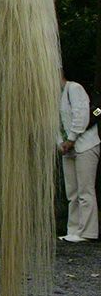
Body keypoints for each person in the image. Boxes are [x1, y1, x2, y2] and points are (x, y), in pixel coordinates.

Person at [59, 74, 99, 243]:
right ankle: (73, 229)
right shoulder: (54, 96)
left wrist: (71, 139)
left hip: (84, 145)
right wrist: (60, 142)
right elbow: (55, 122)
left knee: (85, 189)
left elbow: (82, 116)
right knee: (72, 191)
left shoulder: (74, 89)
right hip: (68, 147)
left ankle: (87, 231)